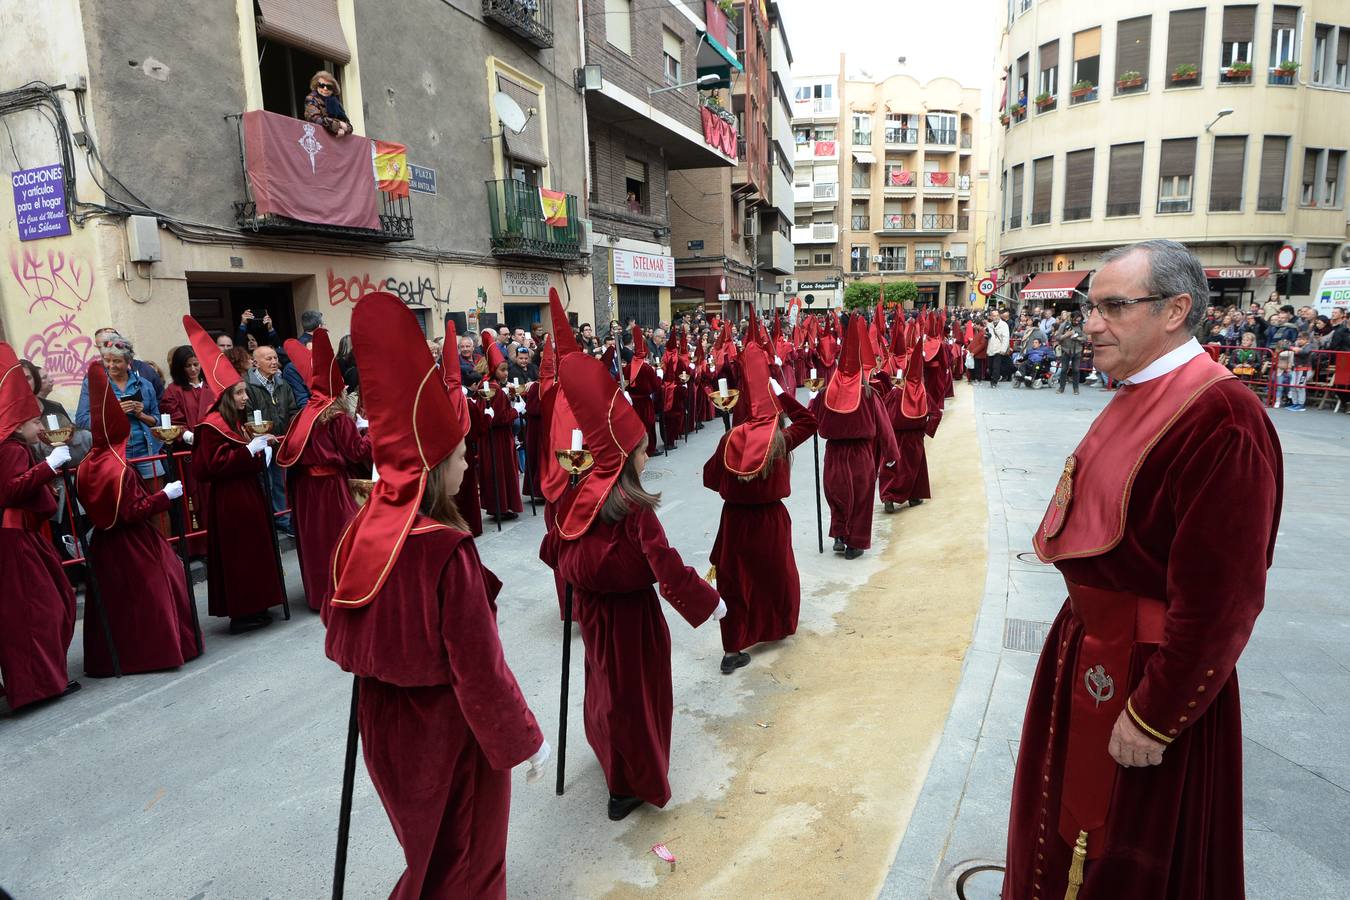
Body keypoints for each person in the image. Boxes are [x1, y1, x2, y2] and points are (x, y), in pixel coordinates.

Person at [1003, 240, 1283, 900]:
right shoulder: (1141, 391)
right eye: (1089, 306)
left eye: (1113, 307)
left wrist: (1157, 714)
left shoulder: (1221, 415)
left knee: (1128, 858)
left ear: (1175, 310)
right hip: (1092, 649)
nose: (1091, 323)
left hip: (1146, 674)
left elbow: (1223, 602)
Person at [324, 292, 547, 898]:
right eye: (460, 454)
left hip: (386, 732)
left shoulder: (358, 532)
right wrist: (519, 738)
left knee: (430, 856)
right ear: (433, 466)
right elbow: (479, 669)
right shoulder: (446, 550)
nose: (470, 463)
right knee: (468, 865)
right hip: (451, 737)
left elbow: (342, 639)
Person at [540, 349, 725, 821]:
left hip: (595, 614)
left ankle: (609, 757)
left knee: (605, 688)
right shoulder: (635, 508)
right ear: (626, 456)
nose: (649, 454)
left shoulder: (578, 494)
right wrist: (711, 605)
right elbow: (667, 567)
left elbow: (556, 547)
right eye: (643, 449)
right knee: (636, 700)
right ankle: (629, 783)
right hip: (633, 618)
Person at [75, 362, 199, 677]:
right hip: (133, 543)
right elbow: (132, 511)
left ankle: (116, 657)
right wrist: (165, 496)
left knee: (117, 603)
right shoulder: (120, 467)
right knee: (157, 590)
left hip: (105, 546)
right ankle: (160, 652)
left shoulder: (89, 463)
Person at [702, 342, 816, 674]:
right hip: (770, 520)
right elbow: (809, 421)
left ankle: (732, 649)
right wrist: (781, 395)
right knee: (777, 576)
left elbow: (711, 479)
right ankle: (776, 627)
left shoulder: (728, 440)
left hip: (735, 521)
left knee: (735, 583)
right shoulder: (781, 439)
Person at [183, 316, 287, 634]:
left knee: (254, 550)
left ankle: (257, 603)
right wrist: (248, 451)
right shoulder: (212, 425)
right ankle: (242, 612)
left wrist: (260, 450)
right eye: (240, 394)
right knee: (239, 555)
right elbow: (208, 467)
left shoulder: (235, 422)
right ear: (227, 396)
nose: (245, 399)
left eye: (244, 392)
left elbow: (244, 455)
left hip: (247, 494)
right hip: (229, 500)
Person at [0, 341, 79, 710]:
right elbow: (10, 490)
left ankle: (43, 680)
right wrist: (47, 467)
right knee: (36, 610)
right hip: (15, 539)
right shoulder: (12, 450)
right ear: (19, 424)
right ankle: (35, 686)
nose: (39, 425)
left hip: (24, 536)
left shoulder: (17, 449)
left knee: (48, 604)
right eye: (33, 420)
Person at [277, 330, 371, 613]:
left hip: (306, 491)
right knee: (343, 537)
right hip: (330, 487)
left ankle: (320, 594)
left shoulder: (307, 412)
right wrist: (373, 434)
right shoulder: (337, 416)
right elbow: (356, 452)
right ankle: (346, 590)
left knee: (315, 542)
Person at [808, 314, 899, 560]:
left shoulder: (824, 395)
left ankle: (839, 534)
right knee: (860, 500)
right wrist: (891, 454)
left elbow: (809, 421)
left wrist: (811, 401)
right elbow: (884, 427)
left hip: (834, 455)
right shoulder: (869, 394)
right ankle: (853, 544)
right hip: (861, 456)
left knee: (837, 496)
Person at [159, 345, 216, 556]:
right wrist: (186, 434)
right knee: (195, 501)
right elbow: (173, 419)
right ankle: (198, 546)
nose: (193, 369)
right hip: (189, 454)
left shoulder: (211, 387)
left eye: (196, 364)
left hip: (212, 449)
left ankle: (218, 539)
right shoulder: (173, 391)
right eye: (188, 366)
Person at [245, 345, 298, 535]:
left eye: (275, 358)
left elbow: (292, 409)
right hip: (260, 442)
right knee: (263, 481)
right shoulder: (247, 385)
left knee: (279, 480)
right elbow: (247, 413)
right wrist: (259, 434)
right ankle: (269, 519)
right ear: (255, 362)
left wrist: (294, 428)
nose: (274, 362)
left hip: (281, 440)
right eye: (268, 359)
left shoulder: (282, 383)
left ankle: (283, 517)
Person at [880, 340, 931, 513]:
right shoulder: (922, 392)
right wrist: (926, 430)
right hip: (915, 437)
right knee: (913, 468)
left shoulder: (894, 392)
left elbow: (884, 411)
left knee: (892, 467)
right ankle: (913, 497)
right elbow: (935, 413)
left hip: (894, 436)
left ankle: (889, 496)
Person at [476, 340, 523, 522]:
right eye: (502, 370)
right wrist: (516, 410)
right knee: (500, 470)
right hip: (498, 438)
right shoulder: (493, 389)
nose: (506, 373)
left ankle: (499, 506)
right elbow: (499, 418)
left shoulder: (487, 385)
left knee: (496, 470)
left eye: (506, 369)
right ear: (493, 369)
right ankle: (501, 506)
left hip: (491, 437)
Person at [625, 324, 663, 455]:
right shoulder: (646, 368)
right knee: (649, 426)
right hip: (645, 402)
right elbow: (656, 386)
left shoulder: (629, 366)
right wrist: (659, 376)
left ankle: (637, 450)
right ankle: (649, 449)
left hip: (633, 402)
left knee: (636, 426)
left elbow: (623, 380)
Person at [303, 70, 352, 137]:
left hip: (335, 140)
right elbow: (315, 119)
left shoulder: (336, 103)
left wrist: (343, 129)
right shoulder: (311, 98)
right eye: (322, 85)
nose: (325, 88)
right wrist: (339, 125)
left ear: (333, 90)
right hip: (319, 137)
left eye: (329, 87)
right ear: (316, 86)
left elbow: (349, 127)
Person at [1055, 312, 1087, 394]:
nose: (1077, 322)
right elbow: (1057, 337)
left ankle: (1076, 389)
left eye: (1079, 321)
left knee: (1076, 370)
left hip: (1077, 350)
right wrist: (1066, 335)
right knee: (1064, 369)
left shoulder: (1081, 326)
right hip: (1066, 350)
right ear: (1071, 318)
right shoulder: (1064, 325)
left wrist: (1078, 338)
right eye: (1075, 320)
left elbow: (1085, 338)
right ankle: (1061, 388)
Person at [985, 310, 1010, 386]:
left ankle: (994, 381)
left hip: (999, 348)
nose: (995, 317)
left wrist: (1003, 349)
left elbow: (1006, 337)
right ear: (991, 317)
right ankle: (994, 377)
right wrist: (987, 336)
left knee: (996, 366)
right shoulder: (989, 325)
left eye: (996, 315)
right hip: (991, 348)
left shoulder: (1004, 325)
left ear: (999, 316)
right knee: (990, 366)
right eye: (993, 315)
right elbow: (989, 335)